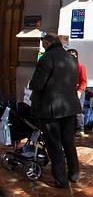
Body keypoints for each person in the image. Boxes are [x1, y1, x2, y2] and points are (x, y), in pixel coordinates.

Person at [29, 33, 81, 188]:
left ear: (48, 41)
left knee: (54, 144)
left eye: (43, 42)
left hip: (51, 108)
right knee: (68, 142)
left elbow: (38, 84)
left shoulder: (47, 58)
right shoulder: (72, 58)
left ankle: (61, 179)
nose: (43, 45)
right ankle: (74, 174)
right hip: (70, 107)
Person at [67, 49, 87, 137]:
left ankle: (80, 129)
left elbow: (84, 81)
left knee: (78, 109)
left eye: (74, 56)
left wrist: (80, 91)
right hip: (67, 91)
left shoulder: (81, 66)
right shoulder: (64, 67)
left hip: (78, 90)